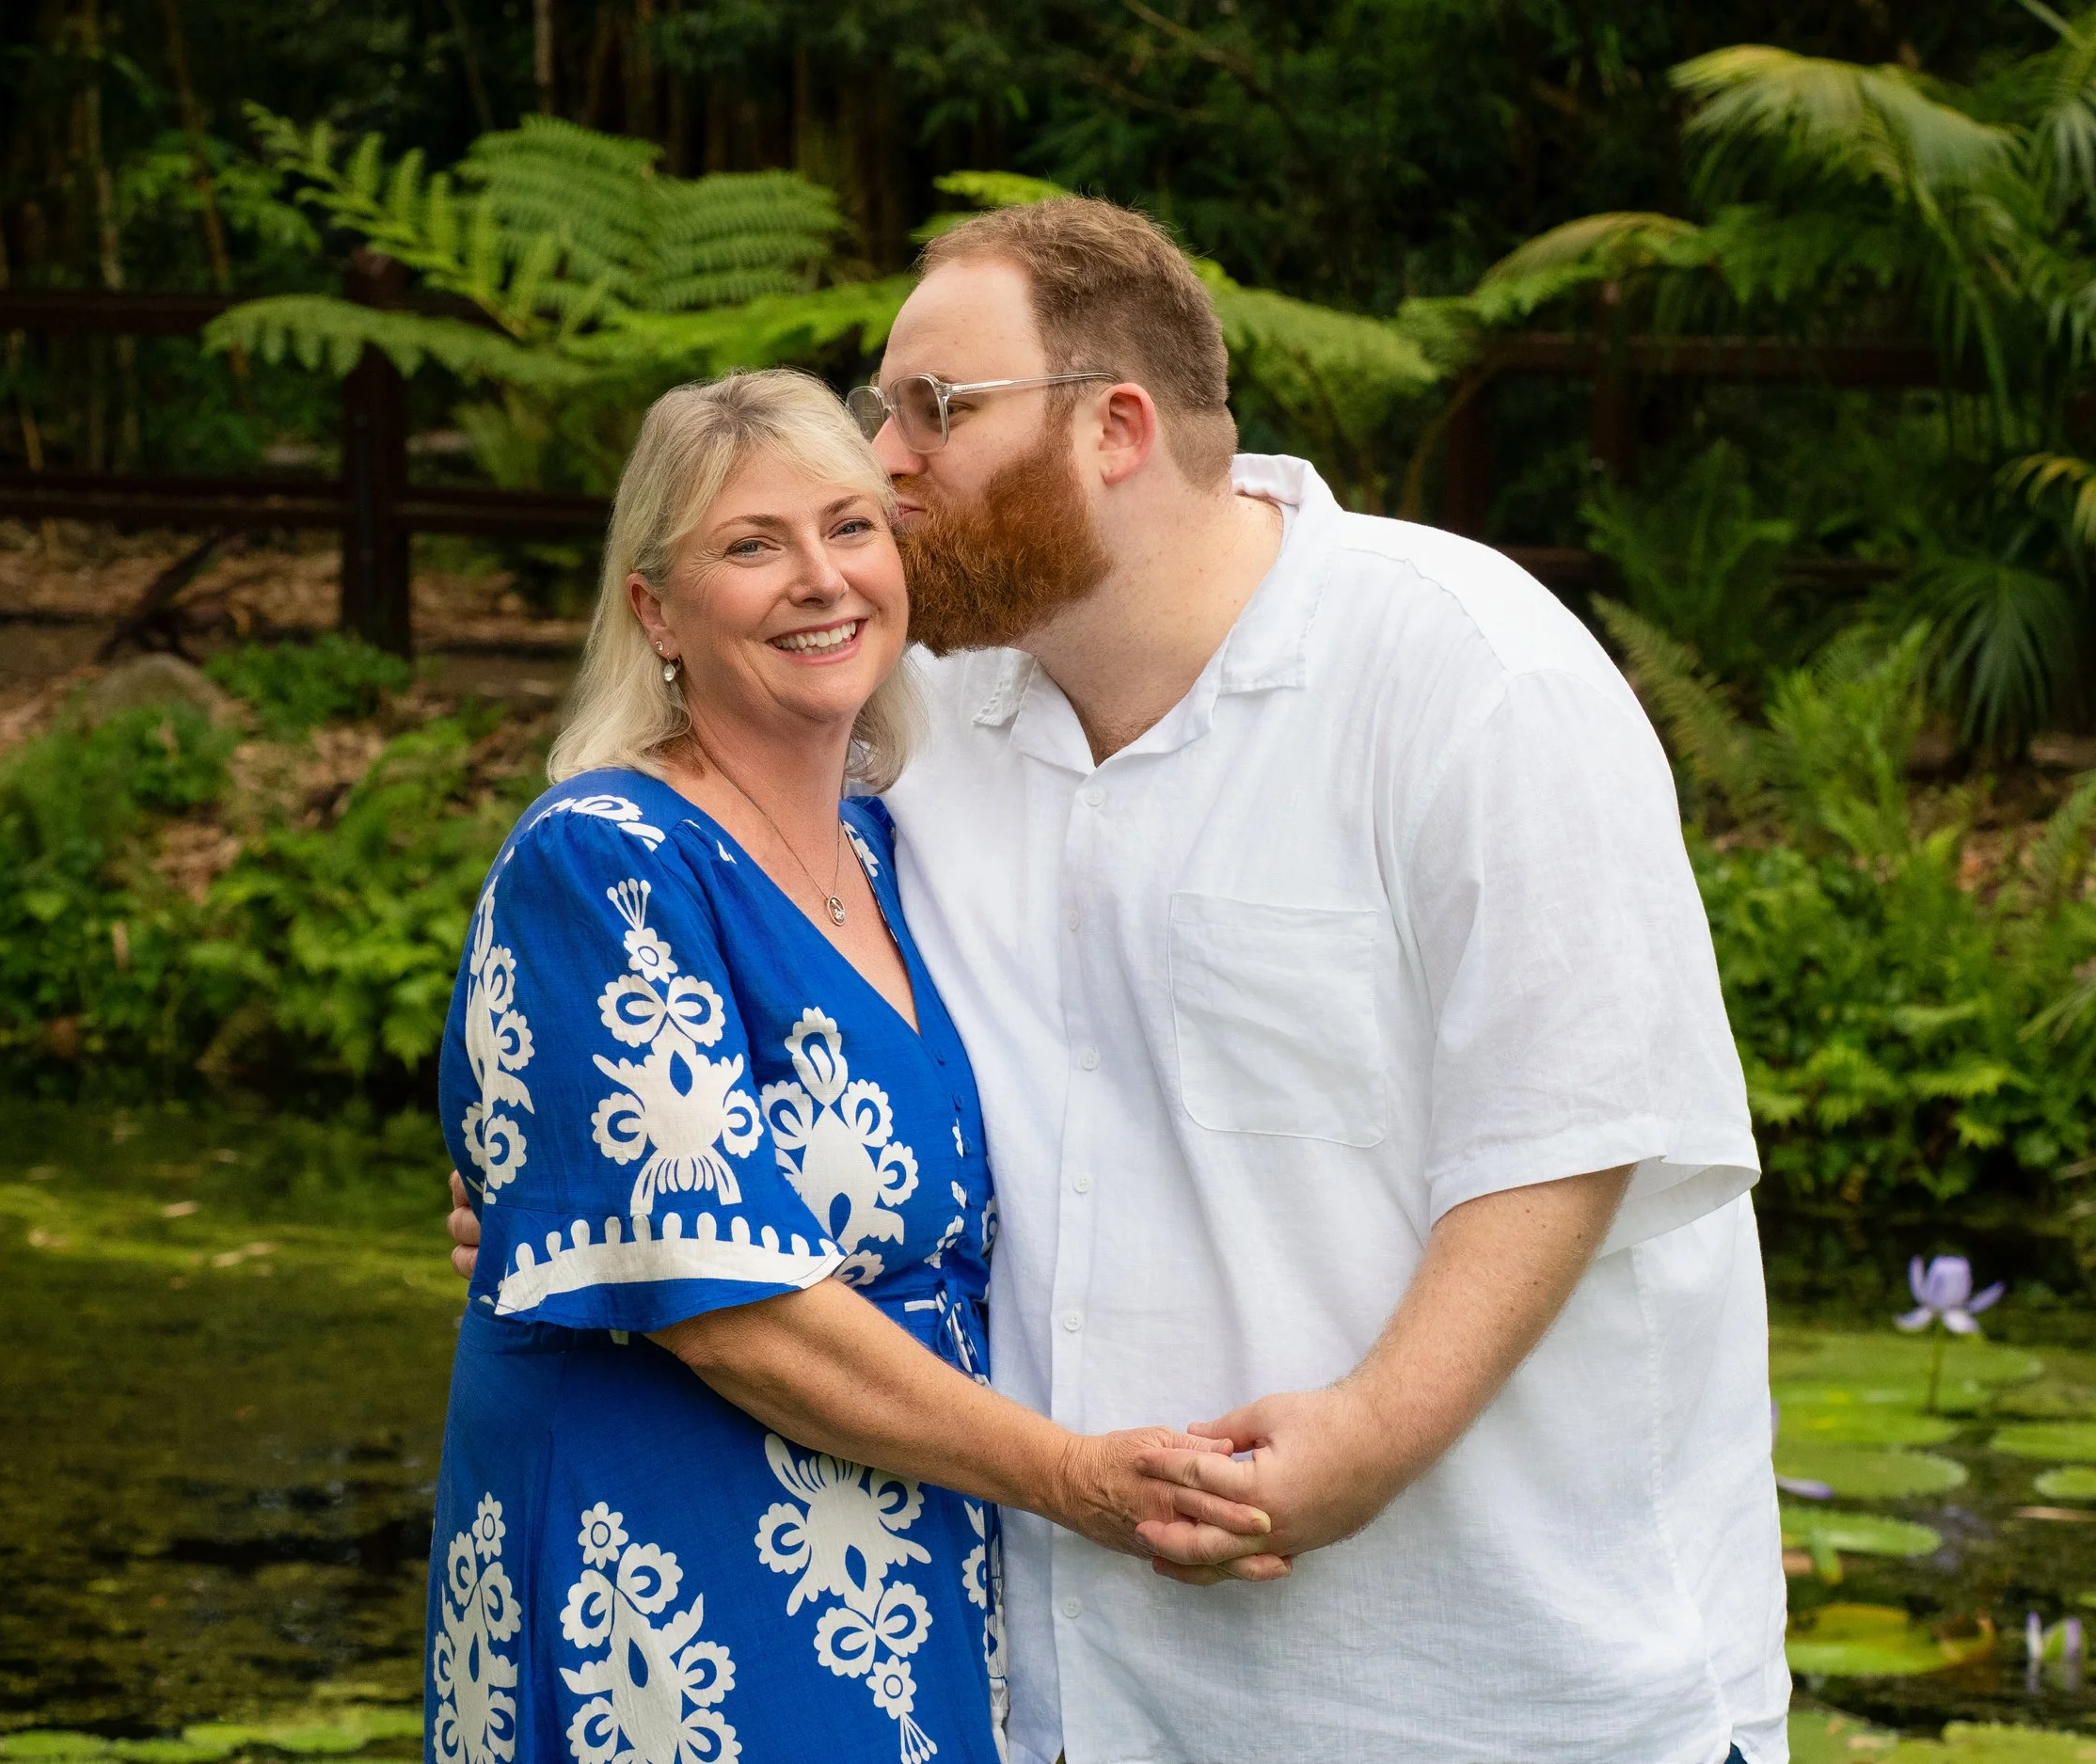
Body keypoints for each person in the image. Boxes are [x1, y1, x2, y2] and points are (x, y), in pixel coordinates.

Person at [453, 199, 1786, 1764]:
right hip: (1087, 1689)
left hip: (1489, 1686)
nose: (883, 459)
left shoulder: (1467, 671)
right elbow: (753, 1040)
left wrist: (1368, 1437)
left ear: (1116, 426)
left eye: (932, 410)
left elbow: (1578, 1124)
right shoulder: (929, 733)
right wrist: (574, 1169)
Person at [421, 369, 1278, 1764]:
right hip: (670, 1567)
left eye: (850, 527)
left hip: (909, 1559)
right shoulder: (604, 861)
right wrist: (1072, 1476)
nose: (820, 579)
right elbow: (734, 1307)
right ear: (656, 611)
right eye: (752, 546)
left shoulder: (896, 850)